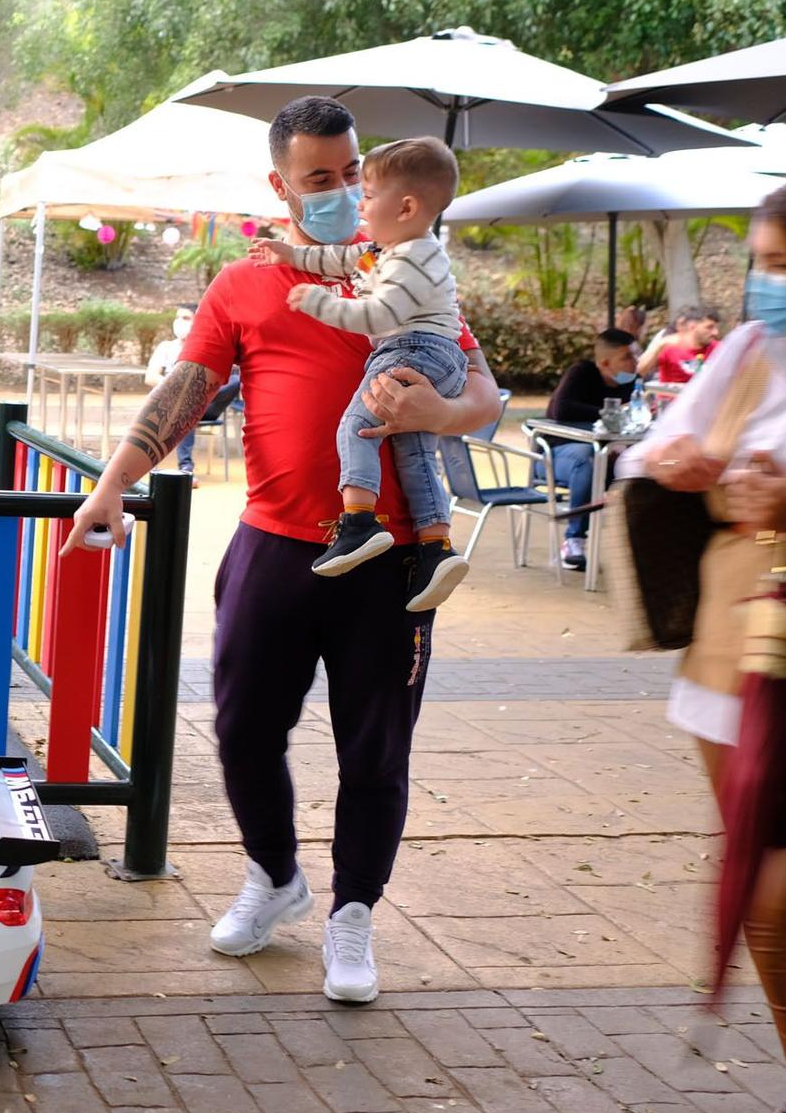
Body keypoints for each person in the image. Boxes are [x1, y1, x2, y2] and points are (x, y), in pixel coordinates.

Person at [68, 96, 501, 1005]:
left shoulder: (413, 271)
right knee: (240, 728)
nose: (345, 190)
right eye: (322, 179)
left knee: (375, 749)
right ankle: (275, 878)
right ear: (281, 186)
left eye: (353, 174)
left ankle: (353, 914)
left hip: (387, 557)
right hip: (273, 543)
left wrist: (441, 413)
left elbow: (487, 398)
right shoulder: (246, 283)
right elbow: (186, 392)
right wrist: (111, 486)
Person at [618, 166, 786, 1113]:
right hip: (736, 653)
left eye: (784, 267)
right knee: (758, 891)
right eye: (756, 265)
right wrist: (681, 464)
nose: (762, 289)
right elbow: (652, 449)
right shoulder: (753, 351)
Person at [247, 135, 469, 611]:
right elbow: (339, 259)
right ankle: (437, 547)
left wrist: (321, 303)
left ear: (406, 207)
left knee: (357, 425)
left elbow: (378, 316)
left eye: (367, 194)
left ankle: (360, 522)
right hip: (429, 354)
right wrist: (288, 256)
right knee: (412, 447)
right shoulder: (389, 248)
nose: (357, 202)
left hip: (415, 350)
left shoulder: (413, 259)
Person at [542, 328, 639, 571]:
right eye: (627, 357)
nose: (635, 363)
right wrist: (613, 413)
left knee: (644, 464)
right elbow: (562, 410)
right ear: (606, 363)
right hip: (557, 455)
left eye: (636, 356)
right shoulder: (582, 373)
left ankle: (638, 544)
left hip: (604, 456)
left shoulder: (632, 386)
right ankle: (573, 540)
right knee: (588, 458)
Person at [144, 307, 241, 478]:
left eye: (186, 318)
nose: (180, 321)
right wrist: (180, 389)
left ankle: (195, 396)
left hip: (209, 403)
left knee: (236, 379)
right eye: (179, 317)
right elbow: (150, 377)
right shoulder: (166, 347)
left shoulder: (212, 348)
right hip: (173, 404)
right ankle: (186, 466)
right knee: (187, 407)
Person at [640, 309, 721, 383]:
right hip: (674, 397)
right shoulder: (670, 347)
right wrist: (660, 345)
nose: (715, 333)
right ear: (692, 326)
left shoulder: (718, 348)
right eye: (709, 327)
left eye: (716, 328)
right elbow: (639, 372)